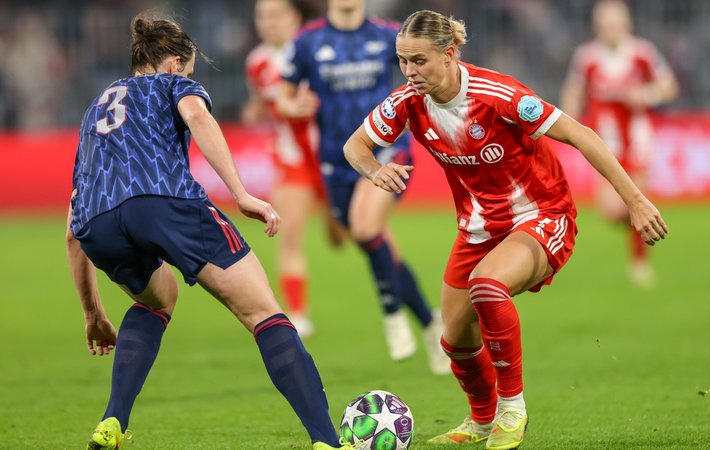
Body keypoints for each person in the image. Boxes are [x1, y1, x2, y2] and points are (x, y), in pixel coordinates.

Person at [343, 9, 669, 450]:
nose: (409, 71)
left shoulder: (500, 95)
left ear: (449, 53)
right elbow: (355, 145)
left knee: (487, 286)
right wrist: (375, 170)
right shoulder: (408, 102)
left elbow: (582, 135)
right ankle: (481, 421)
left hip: (542, 216)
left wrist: (636, 201)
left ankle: (512, 410)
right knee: (455, 340)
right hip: (478, 229)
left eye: (419, 60)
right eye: (402, 60)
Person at [67, 12, 353, 450]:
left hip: (97, 222)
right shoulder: (172, 84)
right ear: (174, 64)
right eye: (189, 69)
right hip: (163, 201)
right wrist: (241, 193)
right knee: (263, 312)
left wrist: (93, 315)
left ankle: (113, 421)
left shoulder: (95, 111)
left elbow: (73, 229)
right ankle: (328, 441)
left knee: (157, 299)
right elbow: (198, 116)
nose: (188, 76)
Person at [278, 0, 449, 374]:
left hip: (388, 148)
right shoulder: (307, 41)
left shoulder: (388, 35)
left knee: (366, 227)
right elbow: (283, 96)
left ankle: (392, 314)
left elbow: (425, 72)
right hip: (336, 160)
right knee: (378, 244)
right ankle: (430, 322)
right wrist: (293, 106)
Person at [560, 0, 678, 288]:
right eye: (606, 23)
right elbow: (573, 91)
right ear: (597, 26)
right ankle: (638, 228)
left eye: (616, 22)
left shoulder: (642, 53)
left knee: (636, 197)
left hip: (637, 140)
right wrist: (567, 122)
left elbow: (669, 86)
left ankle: (639, 263)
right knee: (612, 210)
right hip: (604, 143)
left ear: (626, 24)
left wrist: (647, 95)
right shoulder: (587, 57)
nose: (611, 28)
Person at [243, 0, 328, 338]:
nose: (268, 22)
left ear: (295, 17)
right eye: (262, 16)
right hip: (291, 160)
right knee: (290, 234)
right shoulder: (257, 62)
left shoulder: (316, 51)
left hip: (330, 158)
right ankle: (298, 314)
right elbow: (260, 101)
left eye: (275, 15)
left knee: (345, 235)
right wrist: (255, 111)